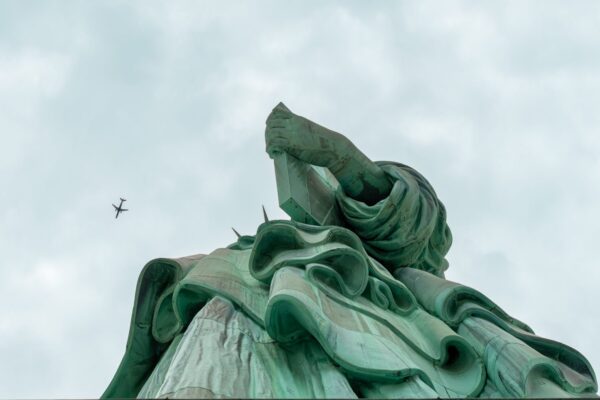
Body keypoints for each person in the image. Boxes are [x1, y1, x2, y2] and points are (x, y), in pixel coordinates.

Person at [102, 103, 597, 399]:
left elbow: (420, 230)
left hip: (379, 319)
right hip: (245, 311)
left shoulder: (398, 267)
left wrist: (342, 157)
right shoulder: (239, 270)